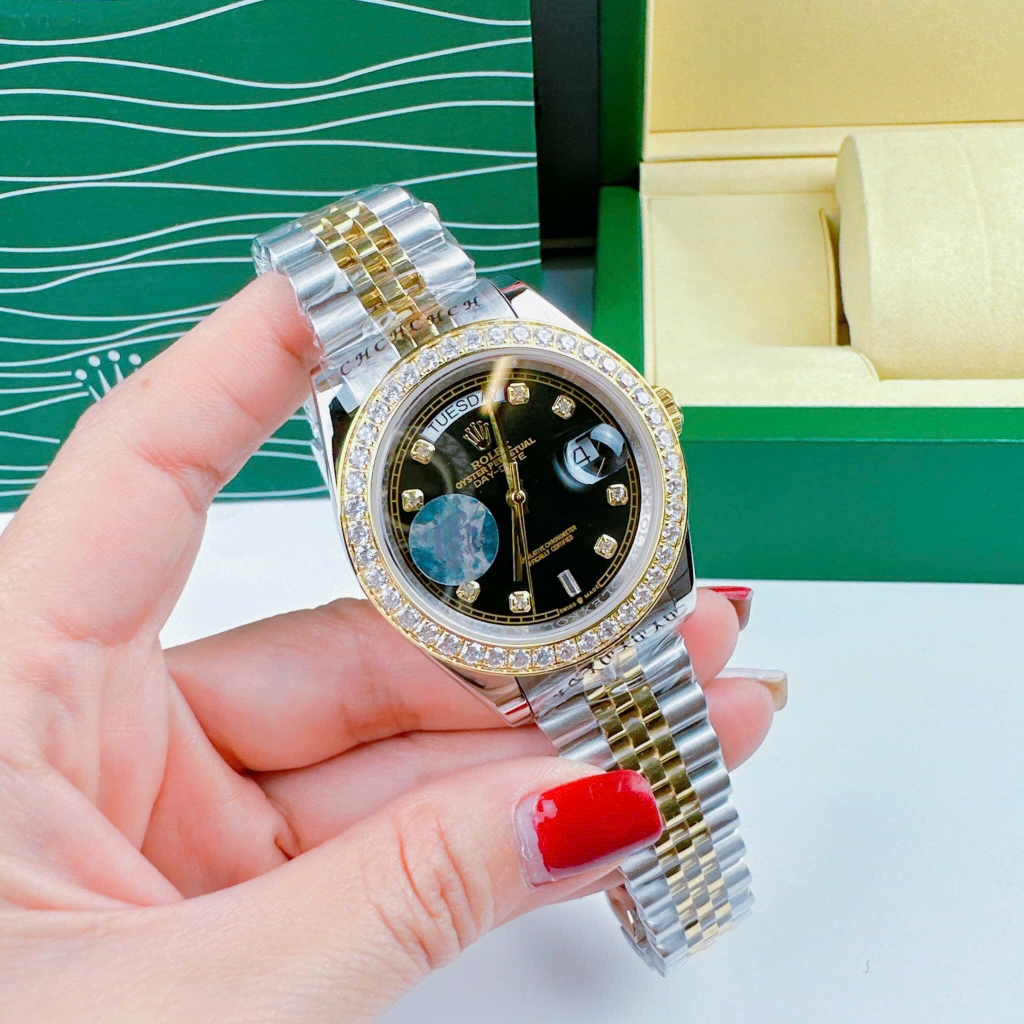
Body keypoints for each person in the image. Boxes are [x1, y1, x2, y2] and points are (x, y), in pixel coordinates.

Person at [0, 275, 777, 1021]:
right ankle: (687, 896)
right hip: (533, 643)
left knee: (686, 685)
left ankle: (683, 890)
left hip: (612, 593)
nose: (513, 494)